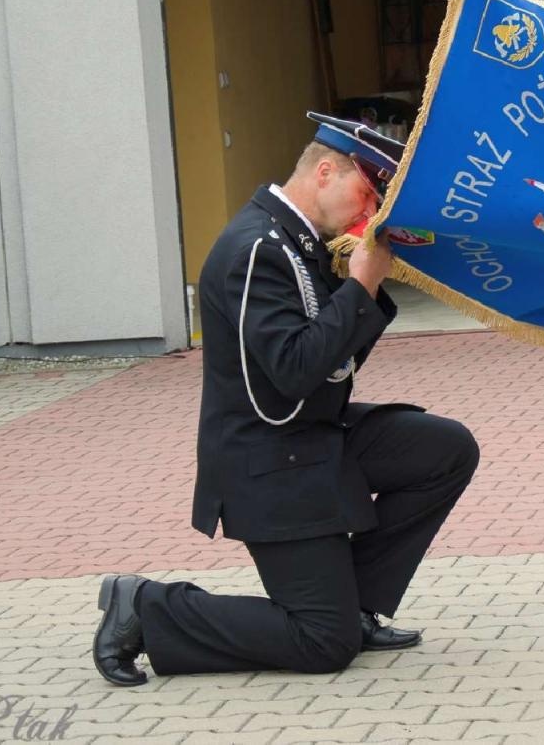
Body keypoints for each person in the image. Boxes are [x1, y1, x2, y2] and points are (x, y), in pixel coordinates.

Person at [92, 114, 479, 687]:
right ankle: (147, 607)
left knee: (445, 449)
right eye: (366, 193)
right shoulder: (256, 250)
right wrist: (362, 286)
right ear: (325, 172)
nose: (368, 213)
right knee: (321, 643)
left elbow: (335, 364)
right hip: (269, 464)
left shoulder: (298, 244)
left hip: (312, 438)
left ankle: (358, 605)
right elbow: (296, 369)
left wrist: (361, 292)